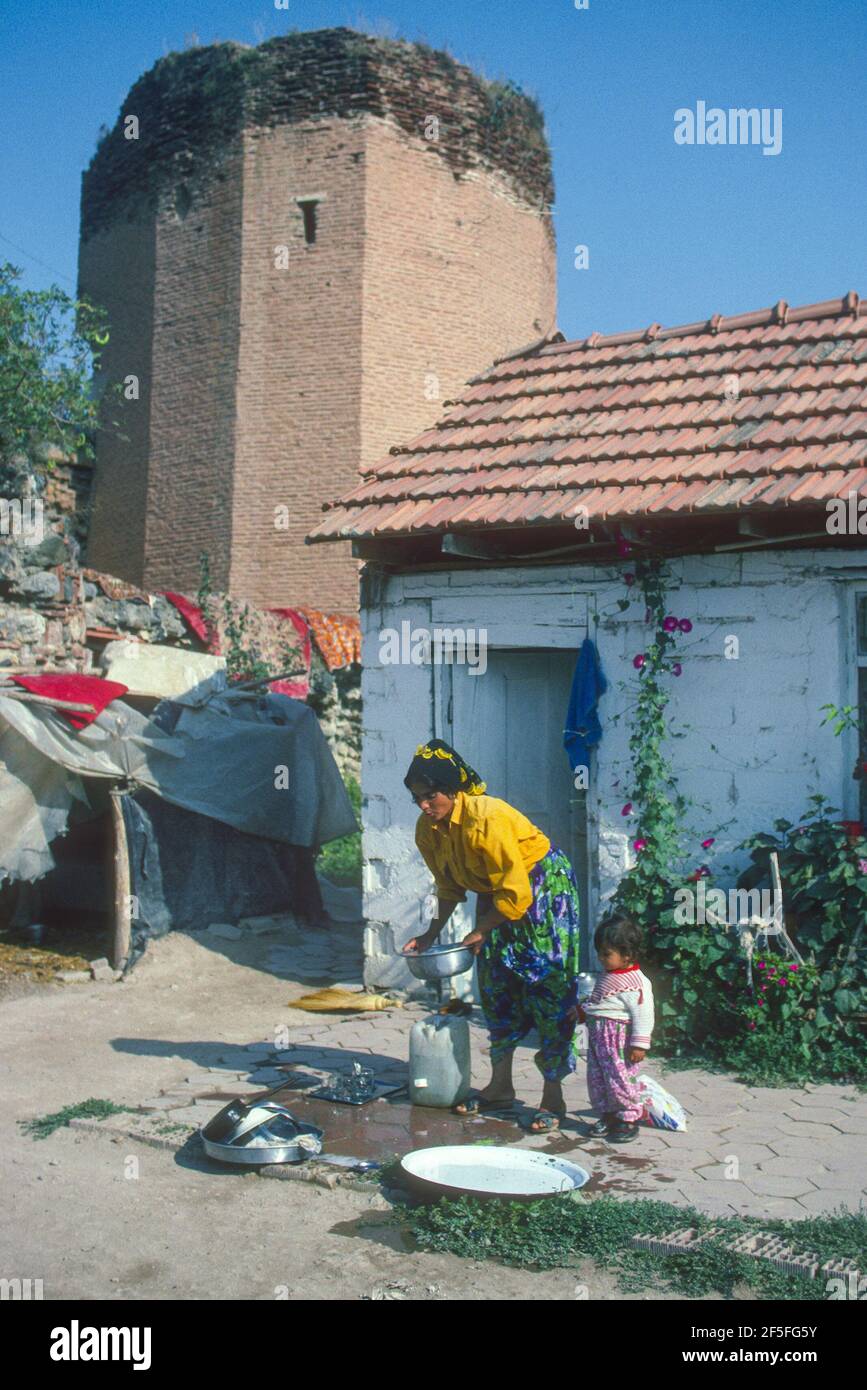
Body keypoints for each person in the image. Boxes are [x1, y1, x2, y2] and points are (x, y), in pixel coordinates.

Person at [401, 738, 581, 1133]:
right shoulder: (428, 830)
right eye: (417, 799)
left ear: (453, 791)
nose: (424, 806)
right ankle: (500, 1087)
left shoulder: (488, 817)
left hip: (542, 891)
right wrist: (430, 934)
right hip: (494, 897)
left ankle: (553, 1097)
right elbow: (448, 887)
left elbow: (517, 896)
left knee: (546, 986)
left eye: (430, 797)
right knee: (496, 984)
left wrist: (480, 929)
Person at [577, 913, 654, 1143]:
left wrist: (639, 1044)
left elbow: (644, 1013)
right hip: (599, 1040)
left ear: (627, 954)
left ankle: (627, 1118)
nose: (601, 958)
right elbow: (600, 1001)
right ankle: (608, 1114)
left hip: (618, 1040)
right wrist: (582, 1011)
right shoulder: (608, 975)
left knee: (619, 1078)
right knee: (598, 1077)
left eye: (606, 954)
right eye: (600, 952)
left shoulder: (636, 982)